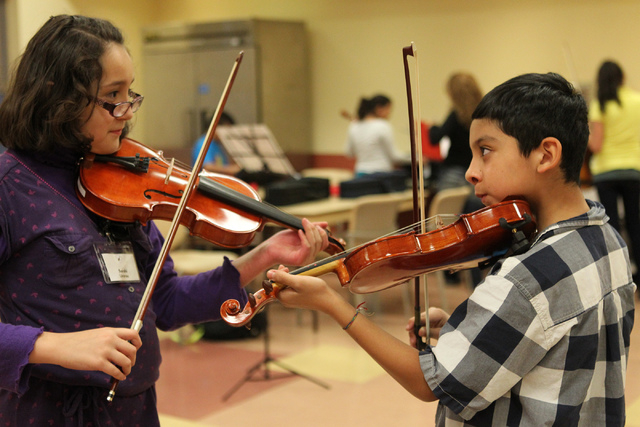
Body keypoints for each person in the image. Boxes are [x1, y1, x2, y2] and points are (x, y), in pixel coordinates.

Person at [0, 15, 331, 426]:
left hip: (137, 409)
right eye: (111, 96)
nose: (126, 111)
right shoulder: (10, 186)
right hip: (50, 413)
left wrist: (262, 256)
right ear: (58, 96)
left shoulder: (122, 181)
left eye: (130, 93)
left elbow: (167, 301)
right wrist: (48, 346)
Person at [268, 73, 636, 426]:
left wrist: (334, 304)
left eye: (486, 151)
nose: (471, 172)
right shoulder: (609, 239)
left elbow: (430, 382)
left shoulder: (527, 277)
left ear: (545, 155)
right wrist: (470, 334)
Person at [588, 60, 640, 284]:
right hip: (633, 171)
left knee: (612, 229)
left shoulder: (599, 105)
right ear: (622, 77)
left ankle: (620, 280)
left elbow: (596, 145)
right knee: (636, 224)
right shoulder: (637, 100)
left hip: (606, 173)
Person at [428, 72, 483, 193]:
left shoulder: (456, 115)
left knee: (449, 211)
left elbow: (435, 138)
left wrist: (433, 127)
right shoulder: (483, 114)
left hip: (454, 171)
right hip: (478, 169)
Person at [345, 94, 409, 177]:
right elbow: (394, 156)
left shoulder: (354, 125)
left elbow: (349, 153)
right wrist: (416, 158)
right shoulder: (383, 125)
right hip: (380, 174)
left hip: (360, 174)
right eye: (389, 109)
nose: (389, 113)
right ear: (379, 108)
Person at [191, 110, 241, 176]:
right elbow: (207, 167)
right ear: (216, 126)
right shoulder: (203, 143)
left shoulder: (218, 144)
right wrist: (231, 169)